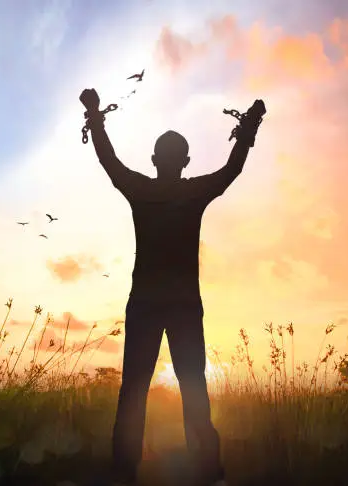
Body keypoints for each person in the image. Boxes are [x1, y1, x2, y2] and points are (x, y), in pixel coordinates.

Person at [80, 88, 264, 486]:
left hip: (145, 303)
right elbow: (231, 171)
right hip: (183, 305)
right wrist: (248, 128)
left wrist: (95, 114)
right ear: (185, 162)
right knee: (193, 387)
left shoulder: (142, 191)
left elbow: (109, 161)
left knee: (134, 389)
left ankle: (123, 471)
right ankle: (207, 470)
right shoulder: (192, 192)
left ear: (154, 161)